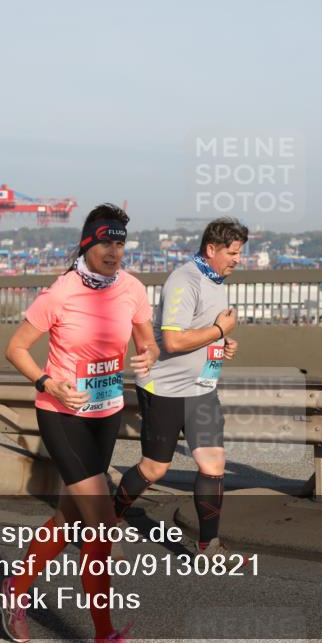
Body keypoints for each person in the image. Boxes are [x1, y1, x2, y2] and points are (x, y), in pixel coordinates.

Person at [0, 203, 157, 643]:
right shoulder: (61, 293)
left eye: (120, 242)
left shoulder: (131, 289)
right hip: (61, 413)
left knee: (72, 518)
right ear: (87, 244)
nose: (114, 251)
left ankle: (16, 586)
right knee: (100, 524)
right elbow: (15, 349)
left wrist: (147, 358)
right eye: (106, 241)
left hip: (105, 416)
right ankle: (105, 638)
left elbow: (147, 344)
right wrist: (48, 382)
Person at [113, 217, 248, 558]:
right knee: (155, 468)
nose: (237, 259)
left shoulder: (216, 279)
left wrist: (222, 344)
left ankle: (209, 546)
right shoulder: (184, 280)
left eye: (239, 253)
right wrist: (218, 332)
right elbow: (172, 342)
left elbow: (205, 329)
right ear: (211, 249)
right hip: (165, 388)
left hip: (201, 387)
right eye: (232, 253)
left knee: (213, 465)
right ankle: (104, 521)